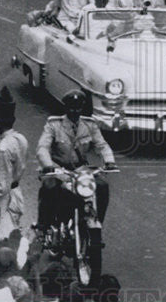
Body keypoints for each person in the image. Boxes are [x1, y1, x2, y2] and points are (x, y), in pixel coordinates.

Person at [36, 90, 118, 229]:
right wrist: (49, 165)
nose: (75, 111)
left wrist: (109, 161)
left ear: (82, 108)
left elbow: (102, 145)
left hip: (81, 171)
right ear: (66, 108)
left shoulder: (89, 125)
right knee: (49, 188)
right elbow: (42, 148)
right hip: (58, 169)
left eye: (78, 108)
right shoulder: (54, 124)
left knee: (102, 186)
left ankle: (97, 221)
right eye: (71, 108)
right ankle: (43, 227)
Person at [0, 86, 29, 239]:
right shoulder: (21, 139)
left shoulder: (4, 147)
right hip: (17, 195)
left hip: (4, 203)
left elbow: (1, 188)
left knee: (2, 240)